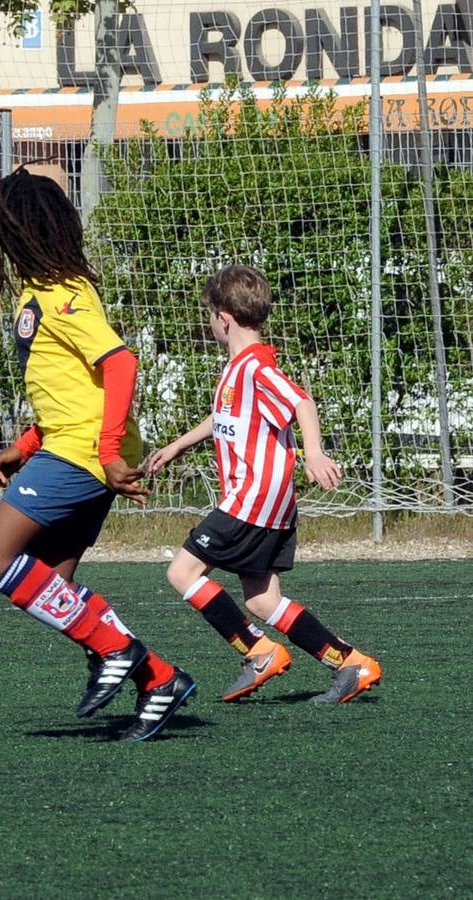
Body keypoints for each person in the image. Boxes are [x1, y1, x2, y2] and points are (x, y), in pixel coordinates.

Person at [0, 167, 195, 742]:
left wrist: (107, 451)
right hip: (68, 447)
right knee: (50, 581)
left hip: (85, 455)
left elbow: (120, 364)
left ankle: (118, 649)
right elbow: (69, 393)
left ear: (18, 232)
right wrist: (20, 448)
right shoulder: (40, 292)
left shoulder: (63, 294)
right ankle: (159, 679)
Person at [144, 264, 381, 704]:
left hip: (252, 499)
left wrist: (313, 452)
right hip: (271, 504)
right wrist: (178, 444)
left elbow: (301, 402)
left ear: (223, 317)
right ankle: (350, 663)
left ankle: (258, 651)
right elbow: (224, 419)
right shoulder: (240, 370)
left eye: (209, 315)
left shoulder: (255, 367)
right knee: (262, 601)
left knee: (181, 572)